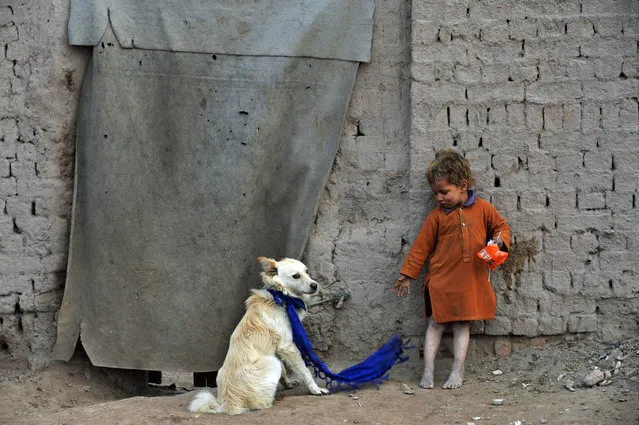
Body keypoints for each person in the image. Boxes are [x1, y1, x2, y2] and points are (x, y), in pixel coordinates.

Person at [392, 149, 510, 389]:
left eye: (443, 192)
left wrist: (498, 240)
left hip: (468, 281)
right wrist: (407, 275)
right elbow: (421, 248)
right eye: (436, 193)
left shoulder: (483, 209)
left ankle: (458, 369)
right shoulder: (436, 217)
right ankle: (428, 370)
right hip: (442, 281)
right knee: (435, 324)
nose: (439, 198)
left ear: (462, 185)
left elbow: (501, 227)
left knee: (461, 325)